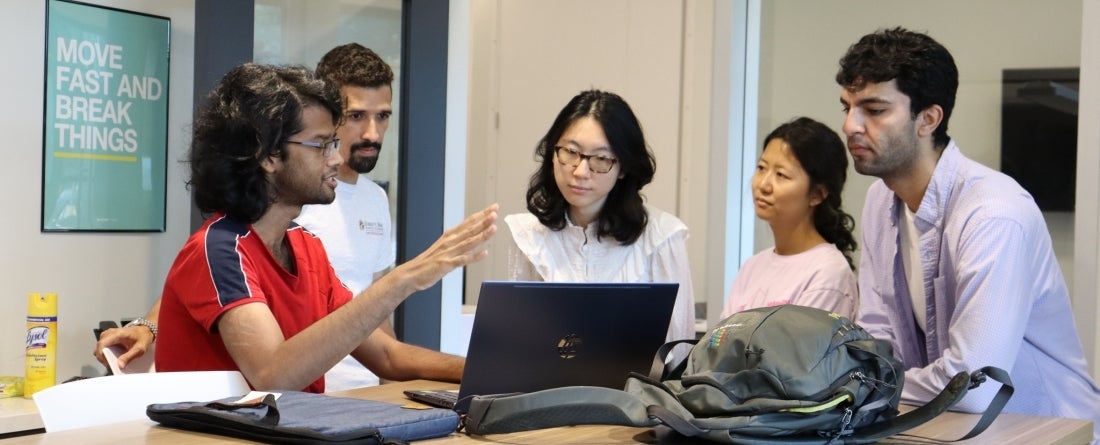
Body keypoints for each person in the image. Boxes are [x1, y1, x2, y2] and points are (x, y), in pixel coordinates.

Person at [141, 62, 496, 393]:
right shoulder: (220, 247)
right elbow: (273, 374)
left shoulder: (306, 246)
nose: (336, 158)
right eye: (321, 145)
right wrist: (402, 280)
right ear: (268, 155)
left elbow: (387, 356)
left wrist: (493, 371)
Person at [95, 44, 416, 391]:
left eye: (382, 116)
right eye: (355, 117)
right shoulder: (227, 240)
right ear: (270, 155)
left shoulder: (314, 238)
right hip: (291, 401)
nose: (371, 133)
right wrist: (150, 324)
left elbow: (384, 346)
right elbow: (217, 276)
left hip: (329, 404)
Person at [837, 27, 1100, 439]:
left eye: (874, 109)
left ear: (928, 119)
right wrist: (865, 379)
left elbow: (976, 386)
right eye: (848, 107)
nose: (850, 125)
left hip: (1049, 430)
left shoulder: (993, 213)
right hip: (950, 427)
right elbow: (875, 341)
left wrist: (866, 384)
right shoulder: (879, 200)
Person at [504, 89, 696, 356]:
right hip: (546, 383)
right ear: (553, 153)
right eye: (571, 152)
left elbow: (679, 354)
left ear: (623, 167)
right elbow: (518, 343)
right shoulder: (528, 235)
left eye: (601, 159)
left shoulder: (662, 237)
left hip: (636, 384)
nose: (580, 171)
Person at [720, 117, 858, 321]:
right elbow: (721, 338)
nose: (763, 185)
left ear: (817, 194)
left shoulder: (828, 272)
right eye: (761, 168)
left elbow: (802, 342)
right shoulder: (752, 267)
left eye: (781, 175)